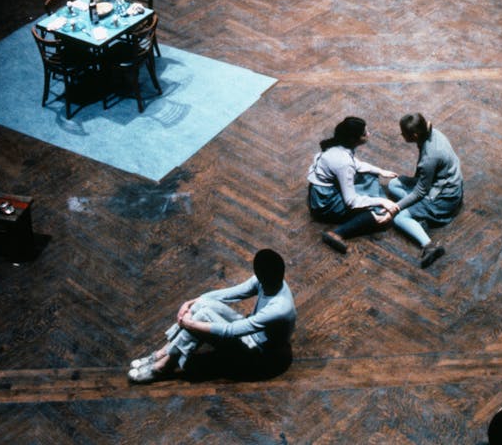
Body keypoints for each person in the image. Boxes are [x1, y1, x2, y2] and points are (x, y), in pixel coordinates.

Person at [127, 249, 296, 384]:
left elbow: (230, 331)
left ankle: (162, 367)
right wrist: (191, 302)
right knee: (201, 306)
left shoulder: (279, 308)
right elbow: (230, 294)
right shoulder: (265, 280)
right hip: (249, 332)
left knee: (201, 317)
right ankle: (163, 353)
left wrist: (190, 324)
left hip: (259, 355)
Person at [307, 116, 398, 253]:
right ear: (353, 139)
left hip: (321, 192)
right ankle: (337, 233)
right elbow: (351, 201)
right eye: (364, 133)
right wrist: (382, 201)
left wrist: (380, 171)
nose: (368, 134)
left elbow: (357, 164)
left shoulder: (337, 146)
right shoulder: (344, 162)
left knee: (370, 176)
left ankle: (378, 205)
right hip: (325, 204)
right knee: (377, 214)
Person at [385, 113, 463, 269]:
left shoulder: (430, 157)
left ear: (414, 135)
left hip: (444, 197)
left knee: (399, 218)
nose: (402, 135)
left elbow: (420, 192)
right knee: (393, 184)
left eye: (403, 133)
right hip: (440, 181)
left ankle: (429, 246)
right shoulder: (432, 133)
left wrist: (396, 207)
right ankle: (417, 213)